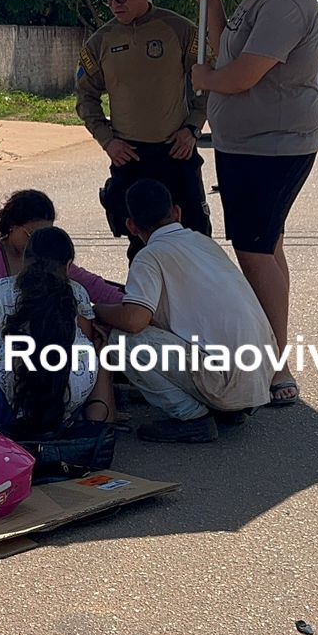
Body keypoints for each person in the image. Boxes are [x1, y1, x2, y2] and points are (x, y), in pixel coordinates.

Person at [190, 0, 318, 408]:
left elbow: (241, 76)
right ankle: (272, 351)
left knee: (254, 249)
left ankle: (276, 364)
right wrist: (216, 0)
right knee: (266, 245)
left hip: (272, 148)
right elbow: (228, 49)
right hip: (248, 146)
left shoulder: (286, 2)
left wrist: (205, 81)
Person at [94, 181, 274, 444]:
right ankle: (227, 407)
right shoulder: (202, 243)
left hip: (226, 380)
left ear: (131, 226)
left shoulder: (150, 256)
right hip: (260, 376)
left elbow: (134, 320)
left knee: (124, 340)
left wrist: (95, 310)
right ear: (177, 212)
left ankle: (192, 418)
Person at [77, 0, 213, 263]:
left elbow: (207, 83)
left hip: (176, 153)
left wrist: (192, 128)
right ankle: (148, 310)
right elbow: (85, 97)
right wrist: (107, 140)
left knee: (196, 239)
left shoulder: (180, 30)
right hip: (131, 159)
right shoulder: (100, 43)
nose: (114, 5)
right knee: (142, 249)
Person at [0, 227, 116, 433]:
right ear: (68, 266)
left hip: (14, 389)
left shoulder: (0, 290)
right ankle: (97, 423)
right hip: (71, 392)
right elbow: (86, 337)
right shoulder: (78, 292)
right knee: (98, 354)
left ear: (25, 260)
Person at [0, 190, 123, 320]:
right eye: (32, 234)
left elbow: (92, 285)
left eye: (47, 233)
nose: (41, 241)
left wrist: (131, 305)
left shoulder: (49, 253)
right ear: (12, 226)